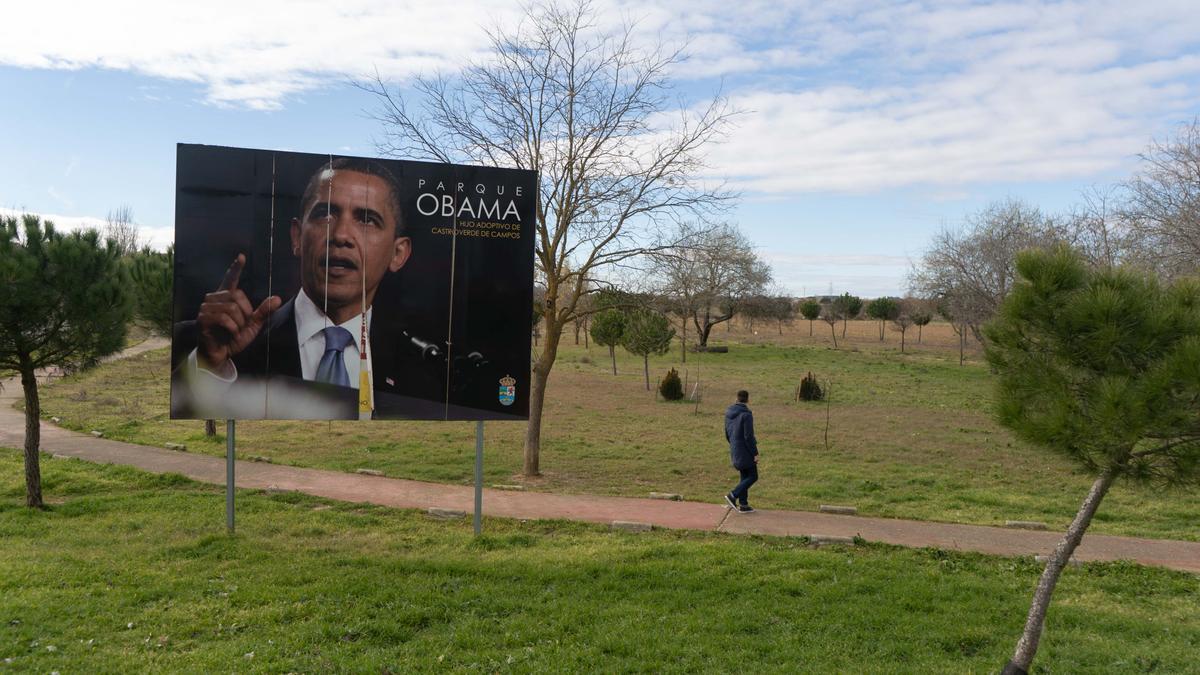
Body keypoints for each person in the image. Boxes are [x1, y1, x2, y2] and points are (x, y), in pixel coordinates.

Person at [174, 156, 442, 419]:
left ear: (397, 253)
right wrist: (209, 365)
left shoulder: (428, 366)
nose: (340, 236)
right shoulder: (211, 343)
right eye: (325, 214)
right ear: (297, 237)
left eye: (366, 219)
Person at [724, 389, 759, 513]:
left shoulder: (728, 412)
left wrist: (734, 444)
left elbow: (727, 433)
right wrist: (755, 453)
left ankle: (743, 504)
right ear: (748, 399)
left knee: (744, 476)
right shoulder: (747, 415)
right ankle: (733, 495)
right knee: (753, 476)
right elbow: (748, 436)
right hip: (746, 450)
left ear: (737, 398)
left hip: (735, 447)